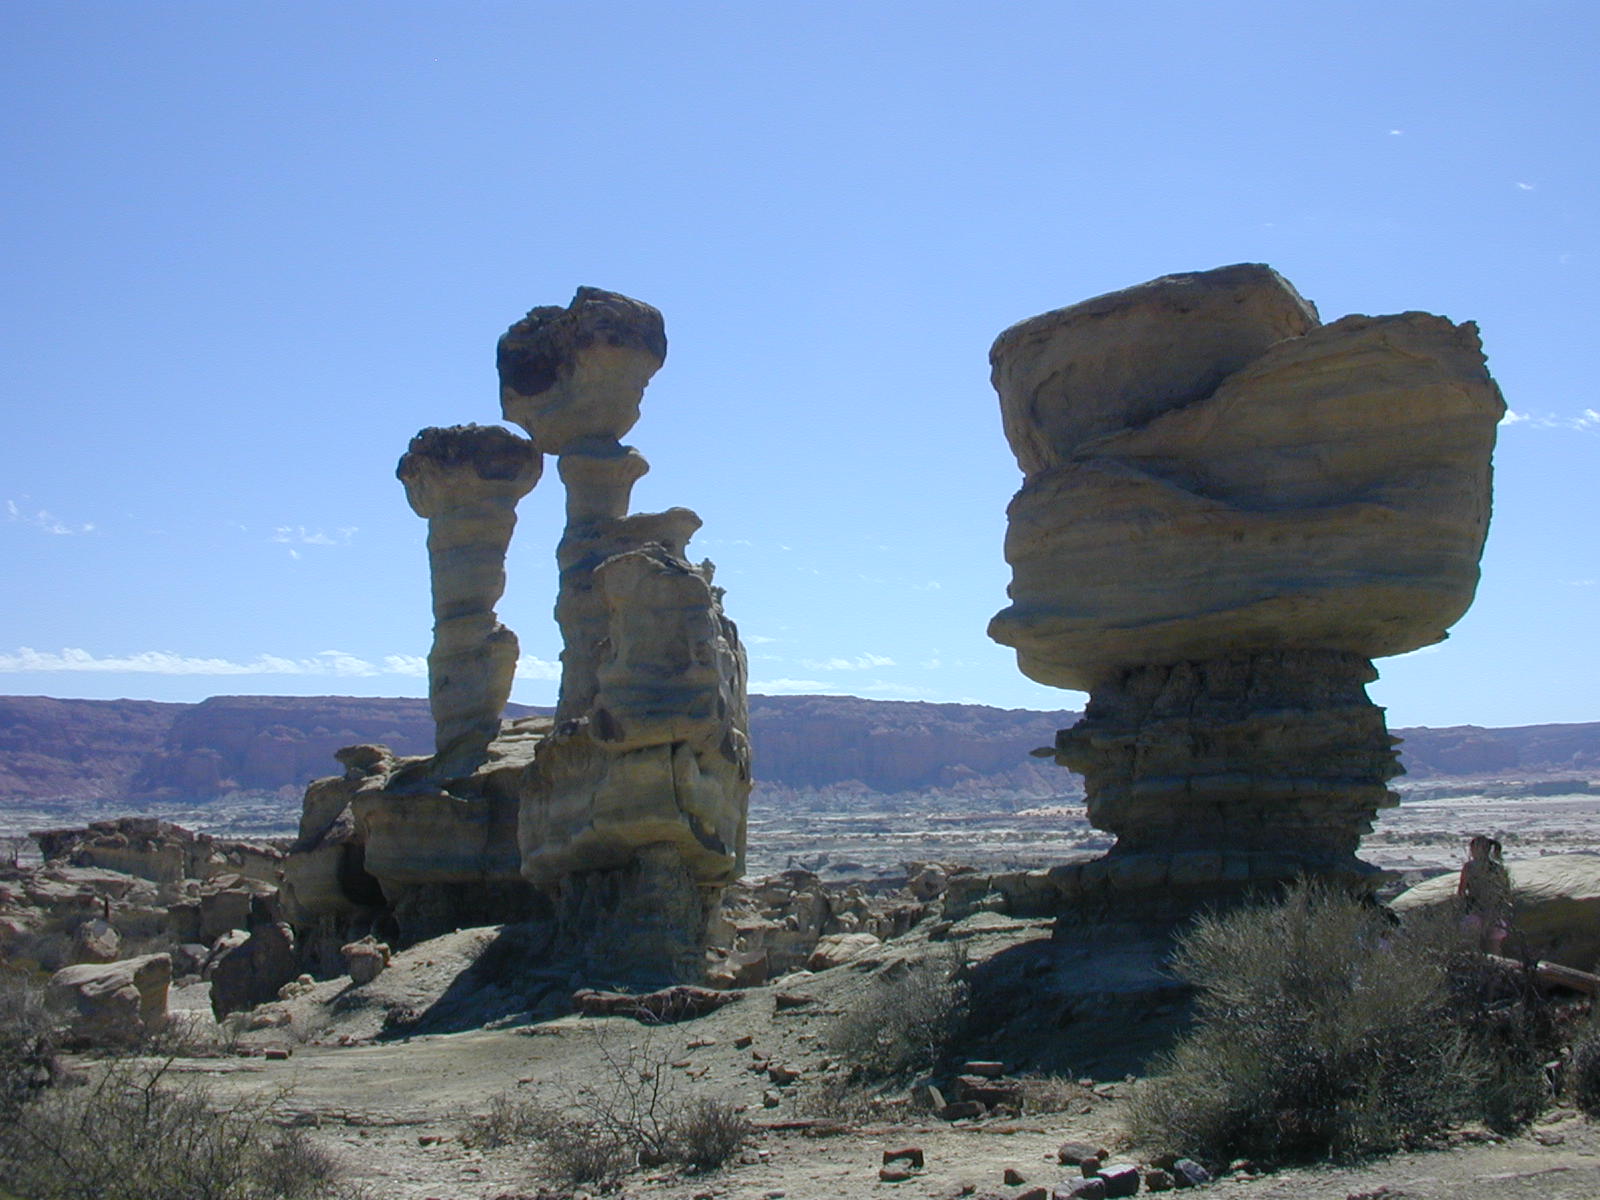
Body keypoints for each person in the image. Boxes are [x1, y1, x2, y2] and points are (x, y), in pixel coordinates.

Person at [1457, 835, 1512, 954]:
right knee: (1494, 947)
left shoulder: (1469, 867)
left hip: (1475, 910)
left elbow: (1461, 890)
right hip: (1495, 911)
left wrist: (1462, 906)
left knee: (1471, 945)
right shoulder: (1498, 868)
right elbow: (1506, 890)